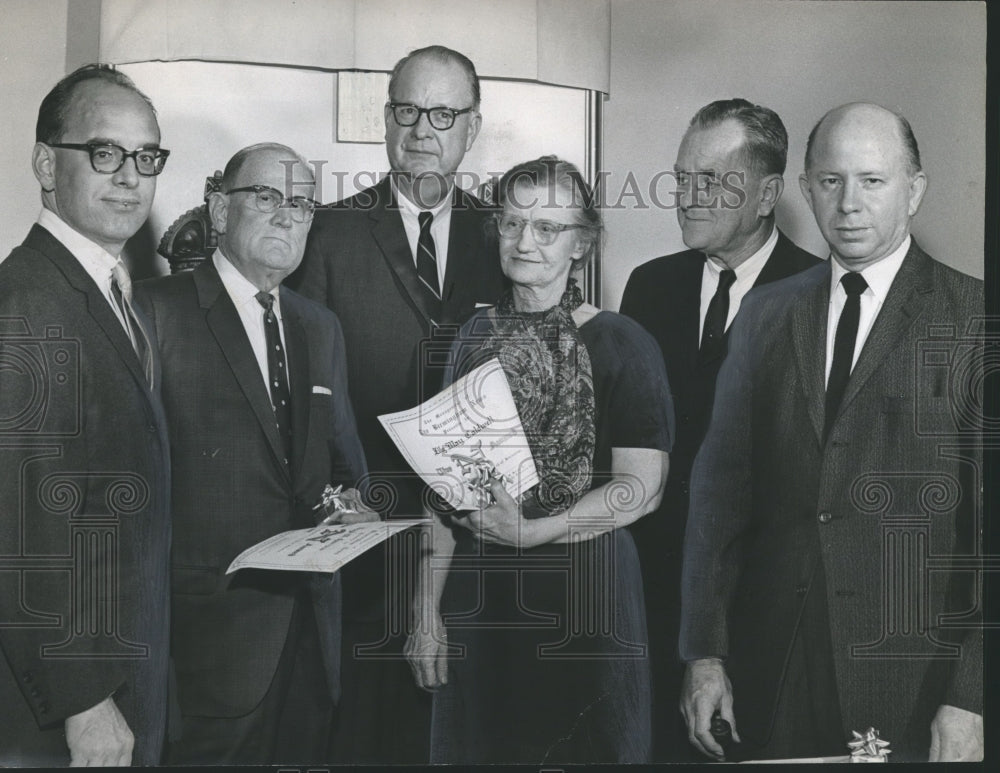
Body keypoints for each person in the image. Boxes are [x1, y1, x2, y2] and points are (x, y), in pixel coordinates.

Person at [680, 103, 983, 763]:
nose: (849, 203)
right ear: (806, 188)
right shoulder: (766, 313)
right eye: (830, 181)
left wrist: (974, 696)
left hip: (914, 681)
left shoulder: (974, 319)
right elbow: (719, 494)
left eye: (872, 181)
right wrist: (705, 653)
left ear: (915, 190)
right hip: (774, 668)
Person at [405, 156, 673, 764]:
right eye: (511, 223)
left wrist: (533, 531)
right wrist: (424, 614)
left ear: (582, 243)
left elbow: (642, 488)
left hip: (587, 598)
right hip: (479, 601)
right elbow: (441, 489)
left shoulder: (622, 342)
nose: (525, 241)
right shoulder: (468, 340)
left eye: (548, 228)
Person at [285, 45, 505, 762]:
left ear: (472, 127)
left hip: (483, 552)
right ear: (386, 120)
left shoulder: (509, 237)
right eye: (407, 110)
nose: (422, 129)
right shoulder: (328, 232)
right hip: (364, 547)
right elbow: (302, 404)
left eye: (443, 114)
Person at [137, 143, 375, 765]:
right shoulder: (152, 314)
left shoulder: (320, 326)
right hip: (202, 650)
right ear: (219, 210)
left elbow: (346, 470)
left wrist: (355, 508)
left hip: (310, 643)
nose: (286, 215)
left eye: (300, 203)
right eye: (266, 197)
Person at [619, 98, 819, 761]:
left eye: (711, 179)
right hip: (647, 611)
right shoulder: (649, 288)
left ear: (765, 195)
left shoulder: (818, 300)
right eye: (681, 178)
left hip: (757, 629)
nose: (687, 197)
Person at [0, 64, 171, 766]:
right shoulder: (31, 301)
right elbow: (21, 524)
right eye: (104, 153)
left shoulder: (104, 291)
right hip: (71, 703)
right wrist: (83, 698)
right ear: (46, 163)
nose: (129, 176)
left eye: (146, 157)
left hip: (120, 670)